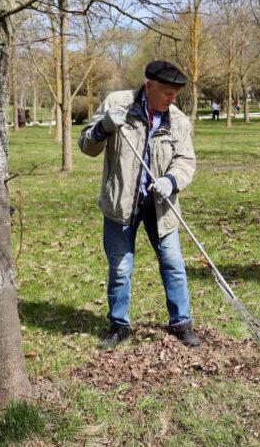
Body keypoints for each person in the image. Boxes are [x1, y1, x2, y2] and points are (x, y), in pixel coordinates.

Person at [78, 60, 201, 348]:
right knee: (120, 268)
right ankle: (119, 325)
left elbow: (185, 161)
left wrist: (171, 180)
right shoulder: (116, 104)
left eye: (176, 95)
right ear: (149, 86)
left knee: (173, 264)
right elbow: (87, 146)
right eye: (168, 94)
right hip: (121, 205)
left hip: (161, 207)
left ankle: (181, 322)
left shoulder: (178, 120)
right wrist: (103, 128)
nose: (172, 100)